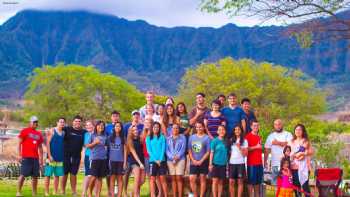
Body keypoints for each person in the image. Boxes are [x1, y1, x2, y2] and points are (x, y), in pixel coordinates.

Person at [16, 116, 44, 197]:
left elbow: (40, 148)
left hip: (35, 158)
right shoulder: (25, 131)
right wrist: (19, 155)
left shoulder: (39, 134)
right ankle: (18, 192)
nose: (36, 123)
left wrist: (41, 160)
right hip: (26, 157)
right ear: (30, 123)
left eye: (37, 122)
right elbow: (19, 143)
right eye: (34, 122)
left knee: (35, 176)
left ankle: (34, 193)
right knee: (23, 175)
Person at [62, 115, 86, 196]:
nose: (77, 123)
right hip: (66, 155)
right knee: (65, 173)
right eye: (76, 121)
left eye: (79, 121)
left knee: (73, 174)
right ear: (73, 122)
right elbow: (57, 130)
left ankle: (74, 192)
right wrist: (50, 130)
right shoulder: (67, 129)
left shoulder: (84, 132)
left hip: (76, 156)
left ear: (81, 123)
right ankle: (63, 191)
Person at [264, 119, 293, 185]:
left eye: (279, 124)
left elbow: (290, 145)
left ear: (282, 125)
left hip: (286, 164)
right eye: (276, 124)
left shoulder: (288, 134)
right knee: (275, 184)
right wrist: (265, 162)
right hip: (275, 164)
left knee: (286, 184)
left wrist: (277, 143)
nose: (278, 126)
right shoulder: (270, 136)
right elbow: (267, 150)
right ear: (274, 126)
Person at [122, 110, 144, 195]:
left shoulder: (141, 128)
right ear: (132, 116)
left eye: (137, 115)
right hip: (132, 159)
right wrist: (124, 161)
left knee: (141, 180)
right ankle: (127, 192)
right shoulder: (127, 126)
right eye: (134, 115)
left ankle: (133, 192)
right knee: (127, 175)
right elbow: (128, 148)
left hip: (140, 158)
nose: (136, 116)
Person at [289, 124, 313, 197]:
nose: (298, 131)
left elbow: (311, 152)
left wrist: (303, 153)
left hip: (304, 167)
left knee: (305, 187)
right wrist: (292, 155)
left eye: (300, 130)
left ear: (303, 131)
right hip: (294, 167)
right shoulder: (291, 141)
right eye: (296, 129)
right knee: (296, 187)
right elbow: (286, 152)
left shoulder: (306, 141)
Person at [188, 122, 211, 197]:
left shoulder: (207, 138)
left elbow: (208, 151)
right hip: (193, 162)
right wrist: (193, 160)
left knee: (202, 179)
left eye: (200, 127)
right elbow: (189, 150)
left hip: (203, 162)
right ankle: (195, 195)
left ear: (203, 127)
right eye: (197, 127)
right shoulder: (192, 137)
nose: (199, 128)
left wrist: (201, 160)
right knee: (191, 178)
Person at [86, 120, 108, 197]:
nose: (101, 126)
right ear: (96, 126)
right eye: (99, 125)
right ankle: (89, 192)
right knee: (93, 177)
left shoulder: (105, 136)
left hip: (103, 158)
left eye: (102, 125)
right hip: (94, 158)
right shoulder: (92, 135)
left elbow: (107, 146)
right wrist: (94, 143)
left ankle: (97, 194)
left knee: (100, 178)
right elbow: (87, 146)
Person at [44, 117, 65, 196]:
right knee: (48, 175)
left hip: (60, 157)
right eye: (60, 122)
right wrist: (49, 156)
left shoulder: (63, 133)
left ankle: (55, 191)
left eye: (63, 122)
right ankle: (46, 192)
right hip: (51, 158)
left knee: (57, 175)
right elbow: (48, 143)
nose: (62, 123)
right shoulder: (52, 131)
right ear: (57, 122)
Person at [146, 122, 168, 197]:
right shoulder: (148, 138)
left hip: (162, 160)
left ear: (159, 128)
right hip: (153, 161)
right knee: (152, 179)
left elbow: (163, 149)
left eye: (157, 127)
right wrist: (155, 160)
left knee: (162, 179)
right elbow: (149, 151)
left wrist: (160, 159)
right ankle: (153, 195)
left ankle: (165, 195)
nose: (156, 128)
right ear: (152, 128)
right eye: (154, 127)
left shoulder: (162, 137)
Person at [166, 124, 187, 197]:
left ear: (179, 129)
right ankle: (175, 195)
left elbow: (183, 148)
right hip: (170, 160)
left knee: (179, 177)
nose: (175, 129)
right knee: (173, 178)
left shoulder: (183, 137)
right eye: (174, 128)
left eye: (177, 128)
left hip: (180, 159)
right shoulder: (168, 138)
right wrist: (172, 158)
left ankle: (180, 195)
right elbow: (167, 150)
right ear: (171, 130)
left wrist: (177, 157)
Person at [228, 125, 248, 197]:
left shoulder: (245, 141)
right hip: (232, 163)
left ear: (241, 131)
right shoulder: (231, 140)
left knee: (240, 182)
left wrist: (240, 147)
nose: (237, 131)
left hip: (240, 164)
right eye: (235, 129)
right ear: (234, 131)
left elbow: (245, 154)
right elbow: (229, 152)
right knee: (231, 182)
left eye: (238, 129)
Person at [126, 125, 146, 197]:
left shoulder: (140, 138)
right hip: (134, 161)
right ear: (131, 132)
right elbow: (134, 153)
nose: (136, 131)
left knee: (143, 180)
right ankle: (136, 195)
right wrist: (140, 163)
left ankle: (132, 192)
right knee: (137, 179)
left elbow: (145, 133)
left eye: (136, 130)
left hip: (142, 160)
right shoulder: (129, 140)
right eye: (133, 130)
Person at [108, 122, 127, 197]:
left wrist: (125, 162)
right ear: (114, 127)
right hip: (112, 161)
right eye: (116, 126)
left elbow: (125, 151)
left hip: (120, 161)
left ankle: (119, 195)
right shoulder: (110, 137)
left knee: (120, 178)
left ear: (121, 128)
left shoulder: (123, 138)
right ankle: (112, 195)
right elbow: (107, 149)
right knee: (112, 178)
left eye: (119, 126)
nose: (118, 127)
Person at [209, 125, 228, 197]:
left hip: (223, 164)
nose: (221, 131)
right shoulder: (214, 141)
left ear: (225, 131)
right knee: (215, 181)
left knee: (220, 182)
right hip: (215, 164)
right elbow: (211, 153)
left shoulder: (227, 141)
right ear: (217, 131)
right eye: (219, 130)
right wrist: (210, 164)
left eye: (223, 130)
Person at [245, 120, 263, 197]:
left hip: (259, 163)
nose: (256, 127)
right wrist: (256, 147)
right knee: (250, 183)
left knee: (258, 184)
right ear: (251, 127)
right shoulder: (247, 136)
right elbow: (246, 149)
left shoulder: (259, 137)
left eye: (257, 125)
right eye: (254, 125)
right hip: (251, 164)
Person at [82, 120, 94, 197]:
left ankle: (92, 193)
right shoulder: (85, 134)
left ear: (93, 126)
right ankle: (84, 192)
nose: (88, 126)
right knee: (88, 175)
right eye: (87, 125)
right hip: (88, 156)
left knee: (94, 176)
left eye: (90, 125)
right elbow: (86, 145)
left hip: (96, 157)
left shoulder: (97, 134)